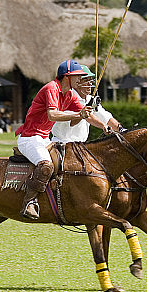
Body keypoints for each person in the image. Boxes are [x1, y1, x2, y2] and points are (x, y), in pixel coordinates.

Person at [14, 59, 106, 219]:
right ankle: (29, 202)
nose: (81, 79)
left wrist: (105, 126)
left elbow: (87, 115)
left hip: (44, 139)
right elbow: (53, 114)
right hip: (29, 138)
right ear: (67, 77)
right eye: (77, 76)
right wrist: (79, 114)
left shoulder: (69, 94)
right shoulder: (51, 88)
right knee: (46, 165)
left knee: (66, 163)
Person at [51, 66, 120, 143]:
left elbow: (105, 117)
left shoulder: (90, 99)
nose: (90, 83)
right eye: (85, 79)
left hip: (80, 145)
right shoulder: (68, 97)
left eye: (90, 79)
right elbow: (73, 122)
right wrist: (102, 125)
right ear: (76, 82)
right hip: (62, 143)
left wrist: (121, 130)